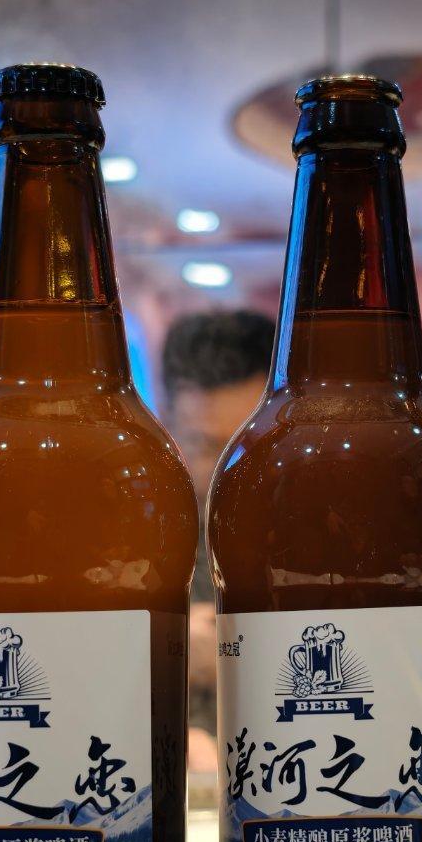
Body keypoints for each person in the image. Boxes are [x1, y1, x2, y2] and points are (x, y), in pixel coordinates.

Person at [159, 310, 275, 769]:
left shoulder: (320, 530)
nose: (232, 471)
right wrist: (169, 651)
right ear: (165, 422)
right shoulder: (138, 530)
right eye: (206, 446)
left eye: (251, 445)